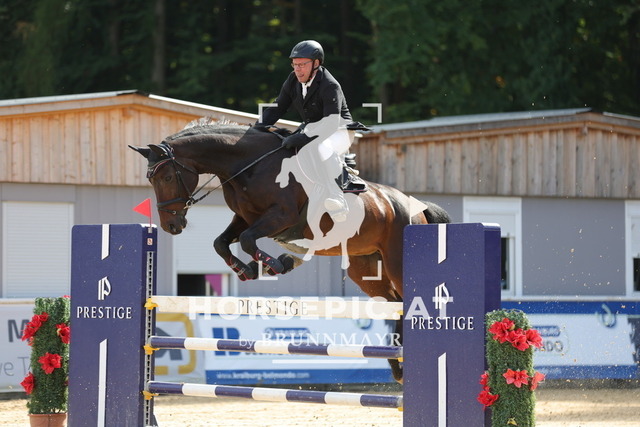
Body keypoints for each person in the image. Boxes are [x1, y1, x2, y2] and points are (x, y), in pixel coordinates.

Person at [255, 40, 366, 222]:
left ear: (316, 64)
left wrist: (303, 138)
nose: (297, 70)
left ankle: (337, 197)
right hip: (314, 128)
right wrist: (257, 128)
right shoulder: (293, 80)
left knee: (322, 148)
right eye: (294, 64)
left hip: (339, 131)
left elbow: (330, 123)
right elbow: (278, 107)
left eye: (302, 65)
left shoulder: (329, 85)